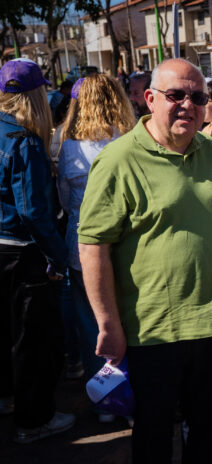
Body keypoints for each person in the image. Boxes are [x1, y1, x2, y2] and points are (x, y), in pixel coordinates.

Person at [78, 58, 212, 462]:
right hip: (152, 331)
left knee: (206, 433)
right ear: (150, 99)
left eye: (198, 97)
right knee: (153, 437)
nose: (188, 104)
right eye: (176, 95)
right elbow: (93, 245)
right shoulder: (118, 160)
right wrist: (107, 323)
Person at [0, 58, 73, 443]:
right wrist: (58, 256)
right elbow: (32, 211)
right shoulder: (23, 140)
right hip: (22, 252)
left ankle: (8, 400)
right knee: (32, 341)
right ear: (37, 95)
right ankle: (33, 420)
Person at [57, 73, 136, 421]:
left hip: (80, 244)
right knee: (129, 320)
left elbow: (62, 198)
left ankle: (105, 401)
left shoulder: (69, 146)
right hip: (124, 243)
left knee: (92, 325)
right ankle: (134, 396)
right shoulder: (130, 140)